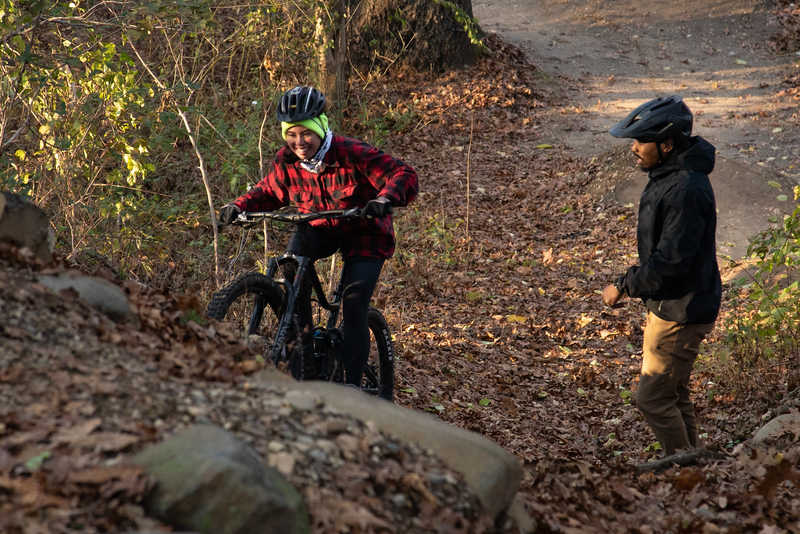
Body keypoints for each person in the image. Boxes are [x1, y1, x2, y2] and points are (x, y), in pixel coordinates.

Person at [217, 85, 418, 386]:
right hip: (320, 227)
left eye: (306, 133)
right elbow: (268, 191)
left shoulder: (352, 153)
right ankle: (305, 356)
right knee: (290, 264)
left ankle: (351, 389)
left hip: (365, 234)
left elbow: (403, 174)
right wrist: (238, 205)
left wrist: (385, 199)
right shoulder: (286, 161)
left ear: (321, 127)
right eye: (291, 134)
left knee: (353, 305)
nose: (299, 142)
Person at [601, 95, 722, 456]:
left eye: (641, 142)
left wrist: (624, 285)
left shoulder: (685, 189)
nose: (634, 149)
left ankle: (682, 467)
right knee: (675, 393)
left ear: (667, 145)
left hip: (682, 312)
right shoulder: (671, 176)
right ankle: (693, 463)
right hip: (675, 306)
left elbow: (670, 263)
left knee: (653, 399)